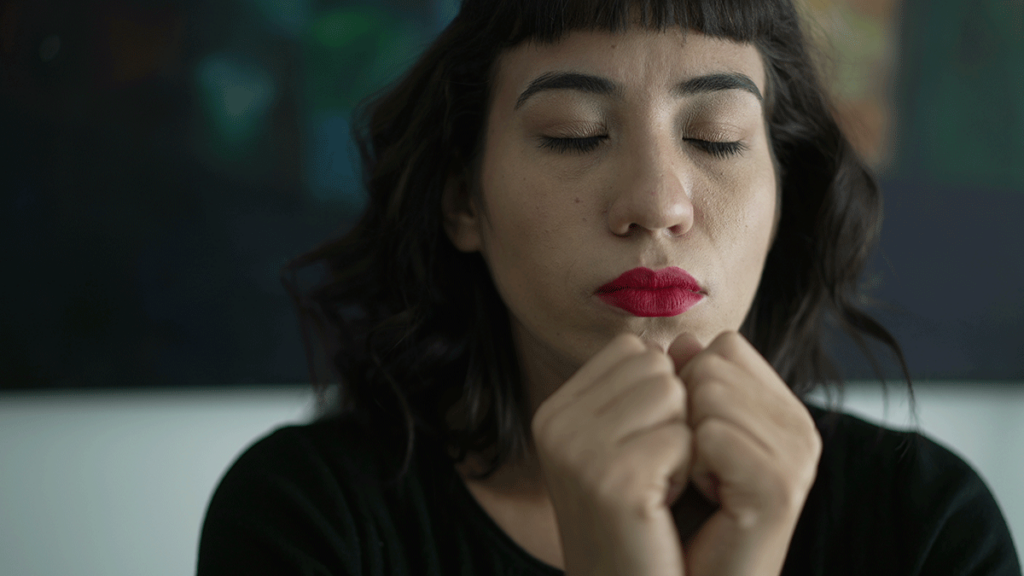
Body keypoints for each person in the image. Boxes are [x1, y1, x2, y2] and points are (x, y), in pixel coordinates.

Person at [197, 0, 1022, 574]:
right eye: (574, 135)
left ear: (785, 196)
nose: (656, 204)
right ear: (462, 199)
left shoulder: (925, 524)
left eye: (717, 138)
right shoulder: (308, 519)